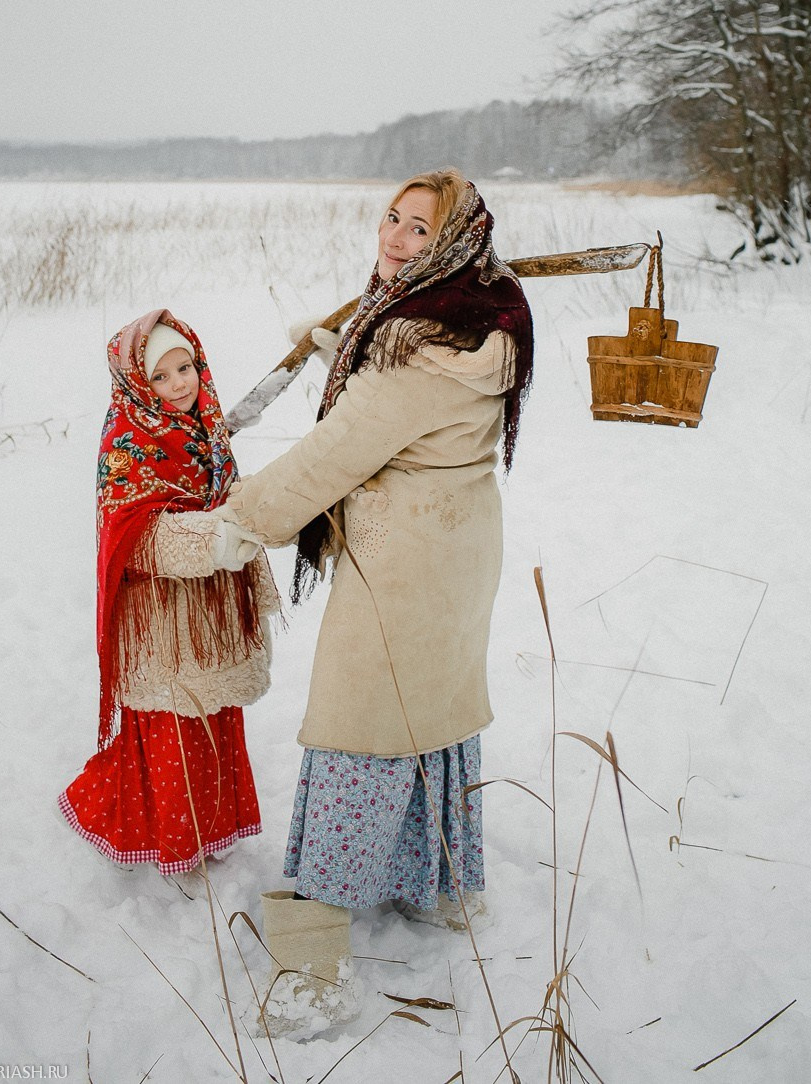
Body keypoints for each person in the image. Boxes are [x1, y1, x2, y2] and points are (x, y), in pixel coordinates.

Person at [219, 170, 533, 1031]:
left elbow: (342, 449)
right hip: (456, 544)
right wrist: (346, 343)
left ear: (455, 242)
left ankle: (316, 947)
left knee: (360, 722)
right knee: (429, 712)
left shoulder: (423, 347)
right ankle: (436, 879)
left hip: (402, 558)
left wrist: (235, 526)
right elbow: (409, 399)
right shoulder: (486, 304)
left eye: (419, 231)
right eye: (391, 218)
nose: (395, 238)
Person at [59, 309, 280, 876]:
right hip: (161, 619)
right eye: (162, 375)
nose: (181, 383)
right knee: (173, 728)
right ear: (137, 382)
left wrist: (267, 501)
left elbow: (230, 490)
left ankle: (214, 826)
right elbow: (134, 538)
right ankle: (172, 838)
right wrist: (214, 541)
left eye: (187, 367)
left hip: (208, 615)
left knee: (214, 717)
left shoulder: (205, 427)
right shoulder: (127, 443)